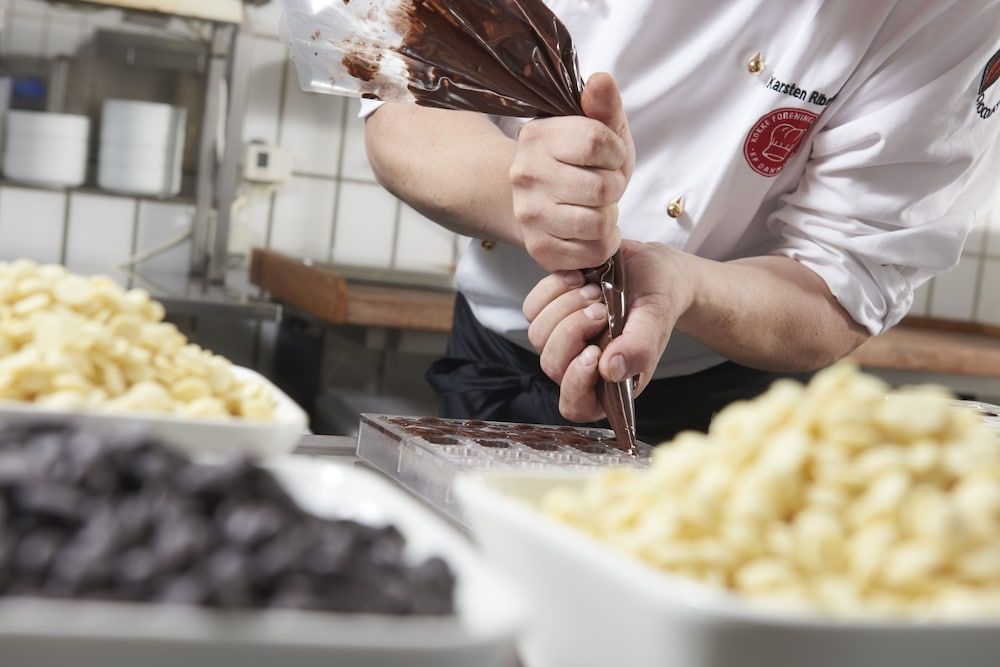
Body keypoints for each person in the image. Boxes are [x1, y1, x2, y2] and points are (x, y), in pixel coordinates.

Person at [363, 0, 1000, 442]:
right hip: (495, 350)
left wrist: (679, 284)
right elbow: (403, 108)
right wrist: (530, 195)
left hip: (723, 390)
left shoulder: (958, 14)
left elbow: (839, 284)